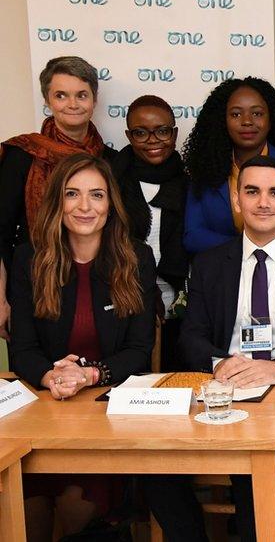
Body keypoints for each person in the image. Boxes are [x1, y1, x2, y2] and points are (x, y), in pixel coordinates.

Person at [146, 155, 275, 542]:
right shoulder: (208, 264)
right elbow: (189, 337)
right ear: (237, 201)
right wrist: (220, 363)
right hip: (220, 392)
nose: (263, 202)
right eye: (252, 191)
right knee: (155, 464)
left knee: (251, 471)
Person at [8, 153, 154, 540]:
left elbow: (140, 350)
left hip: (106, 415)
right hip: (43, 412)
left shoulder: (136, 257)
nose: (85, 207)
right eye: (72, 194)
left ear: (111, 204)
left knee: (76, 506)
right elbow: (21, 348)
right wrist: (51, 375)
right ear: (57, 202)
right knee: (27, 510)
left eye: (97, 195)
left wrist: (90, 374)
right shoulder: (29, 259)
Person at [0, 56, 116, 340]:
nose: (72, 104)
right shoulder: (21, 156)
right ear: (47, 100)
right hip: (33, 283)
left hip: (96, 284)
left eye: (81, 95)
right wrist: (1, 298)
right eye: (61, 95)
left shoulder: (110, 161)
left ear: (94, 100)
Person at [182, 77, 275, 254]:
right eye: (236, 114)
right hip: (219, 275)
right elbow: (193, 237)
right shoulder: (205, 167)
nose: (247, 121)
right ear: (223, 120)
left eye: (257, 113)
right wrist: (247, 250)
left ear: (271, 119)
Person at [112, 95, 188, 371]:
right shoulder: (111, 181)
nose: (153, 140)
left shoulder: (191, 181)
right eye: (141, 133)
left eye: (162, 131)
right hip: (124, 298)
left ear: (174, 134)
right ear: (129, 136)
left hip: (178, 302)